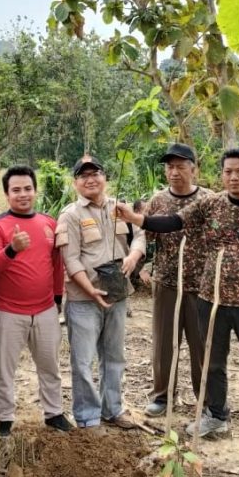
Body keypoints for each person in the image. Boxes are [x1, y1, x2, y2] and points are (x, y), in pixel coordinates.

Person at [116, 148, 239, 437]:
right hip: (211, 298)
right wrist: (137, 219)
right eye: (228, 172)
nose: (233, 177)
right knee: (213, 361)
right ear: (221, 173)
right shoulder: (211, 204)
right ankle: (216, 416)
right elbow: (173, 222)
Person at [56, 155, 146, 429]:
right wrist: (90, 290)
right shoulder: (71, 214)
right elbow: (70, 259)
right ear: (75, 183)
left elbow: (141, 232)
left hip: (117, 295)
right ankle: (87, 417)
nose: (90, 179)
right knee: (83, 361)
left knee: (114, 356)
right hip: (84, 300)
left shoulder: (119, 207)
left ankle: (112, 409)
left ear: (105, 177)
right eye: (84, 176)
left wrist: (134, 254)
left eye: (95, 173)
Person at [0, 165, 72, 437]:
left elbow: (56, 265)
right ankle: (5, 419)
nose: (23, 194)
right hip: (8, 312)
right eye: (16, 190)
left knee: (50, 365)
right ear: (7, 194)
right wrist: (12, 248)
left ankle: (54, 413)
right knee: (4, 370)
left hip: (45, 309)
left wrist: (57, 298)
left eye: (28, 189)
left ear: (35, 191)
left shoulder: (48, 223)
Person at [141, 143, 213, 418]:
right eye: (170, 167)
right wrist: (145, 265)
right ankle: (162, 396)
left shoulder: (209, 199)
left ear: (194, 169)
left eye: (181, 166)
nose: (174, 172)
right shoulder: (158, 200)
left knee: (200, 345)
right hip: (167, 282)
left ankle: (205, 401)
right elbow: (145, 237)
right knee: (163, 344)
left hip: (200, 284)